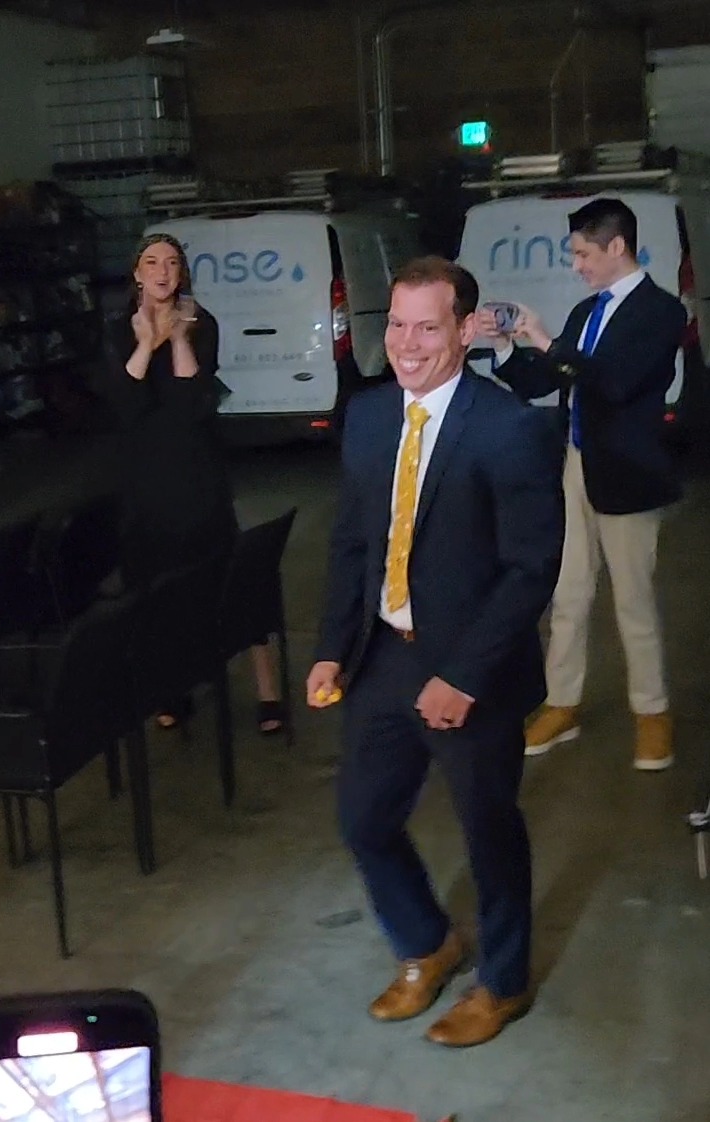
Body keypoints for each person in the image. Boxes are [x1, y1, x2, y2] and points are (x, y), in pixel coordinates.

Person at [307, 256, 564, 1047]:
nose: (409, 343)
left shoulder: (509, 427)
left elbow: (531, 569)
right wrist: (330, 648)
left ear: (463, 329)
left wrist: (463, 677)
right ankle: (427, 942)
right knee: (364, 819)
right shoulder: (371, 415)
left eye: (428, 326)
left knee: (488, 831)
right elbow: (353, 540)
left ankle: (505, 982)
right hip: (384, 655)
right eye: (398, 325)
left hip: (470, 670)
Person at [482, 198, 686, 771]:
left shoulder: (661, 312)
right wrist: (506, 345)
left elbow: (615, 385)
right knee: (569, 596)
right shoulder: (585, 313)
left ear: (616, 247)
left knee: (634, 602)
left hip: (628, 474)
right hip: (576, 463)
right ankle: (561, 701)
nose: (576, 265)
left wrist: (548, 343)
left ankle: (652, 712)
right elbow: (545, 381)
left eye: (582, 253)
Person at [104, 233, 283, 733]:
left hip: (198, 471)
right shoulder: (117, 330)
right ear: (136, 273)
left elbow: (189, 402)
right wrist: (145, 343)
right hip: (146, 476)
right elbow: (127, 404)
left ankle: (268, 693)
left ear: (182, 273)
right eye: (152, 262)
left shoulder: (203, 325)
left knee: (230, 574)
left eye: (173, 263)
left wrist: (178, 337)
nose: (163, 271)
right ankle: (171, 686)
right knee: (157, 584)